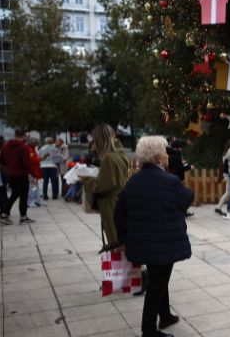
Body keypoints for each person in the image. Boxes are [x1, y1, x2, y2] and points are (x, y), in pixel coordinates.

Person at [114, 136, 193, 337]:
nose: (168, 155)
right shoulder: (170, 181)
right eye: (165, 152)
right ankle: (148, 331)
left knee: (159, 279)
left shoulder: (133, 181)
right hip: (165, 244)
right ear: (159, 158)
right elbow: (186, 199)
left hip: (144, 245)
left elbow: (119, 214)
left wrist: (124, 238)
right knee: (157, 284)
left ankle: (165, 315)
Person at [83, 124, 129, 250]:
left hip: (111, 203)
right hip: (119, 199)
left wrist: (85, 179)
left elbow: (104, 184)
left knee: (116, 239)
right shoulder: (120, 154)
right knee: (121, 238)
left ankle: (122, 268)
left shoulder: (109, 158)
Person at [0, 128, 33, 224]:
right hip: (21, 174)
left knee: (15, 194)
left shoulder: (6, 145)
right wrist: (33, 174)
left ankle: (4, 213)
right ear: (24, 136)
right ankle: (23, 216)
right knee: (23, 195)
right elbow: (27, 163)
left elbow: (0, 160)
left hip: (10, 173)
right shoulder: (24, 147)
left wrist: (9, 166)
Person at [215, 139, 230, 216]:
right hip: (229, 174)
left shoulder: (225, 153)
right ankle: (219, 207)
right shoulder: (228, 154)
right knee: (228, 192)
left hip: (227, 174)